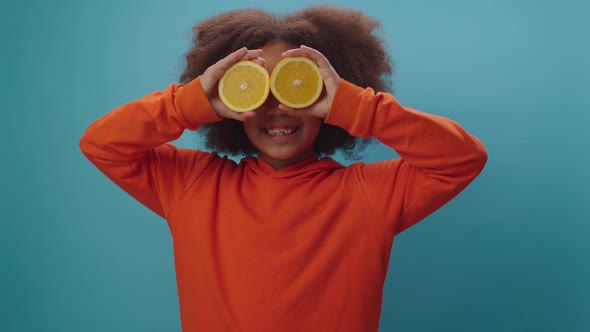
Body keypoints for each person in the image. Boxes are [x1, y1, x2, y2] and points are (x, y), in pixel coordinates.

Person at [79, 6, 487, 332]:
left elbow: (462, 158)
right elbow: (102, 144)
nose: (278, 106)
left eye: (295, 85)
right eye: (260, 86)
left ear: (329, 92)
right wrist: (190, 102)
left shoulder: (370, 193)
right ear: (230, 98)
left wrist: (354, 105)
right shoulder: (192, 184)